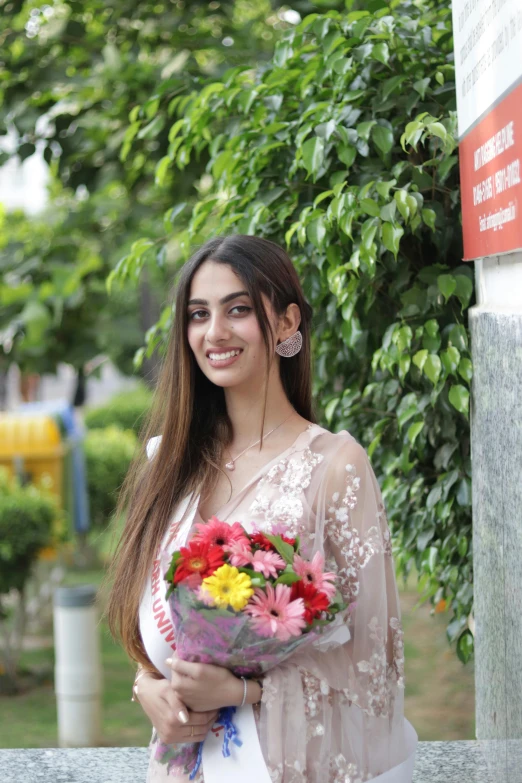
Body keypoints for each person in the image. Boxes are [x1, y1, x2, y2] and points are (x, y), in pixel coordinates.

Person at [103, 235, 417, 782]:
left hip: (284, 768)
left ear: (287, 323)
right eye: (199, 314)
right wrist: (148, 686)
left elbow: (374, 666)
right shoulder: (171, 461)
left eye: (238, 309)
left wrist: (245, 690)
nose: (215, 332)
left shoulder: (335, 466)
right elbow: (154, 632)